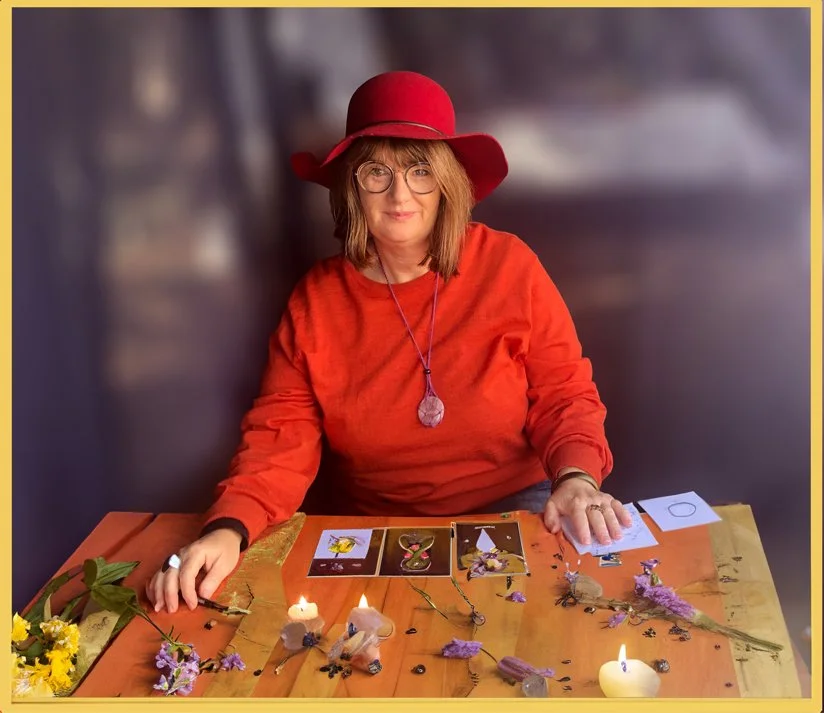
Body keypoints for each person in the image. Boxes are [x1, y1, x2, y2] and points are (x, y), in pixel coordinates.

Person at [146, 70, 633, 614]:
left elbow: (564, 394)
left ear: (447, 183)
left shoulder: (510, 266)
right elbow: (280, 437)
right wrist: (229, 528)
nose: (400, 194)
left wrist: (576, 476)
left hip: (516, 506)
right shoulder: (316, 301)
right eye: (377, 172)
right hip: (378, 527)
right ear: (352, 187)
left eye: (420, 171)